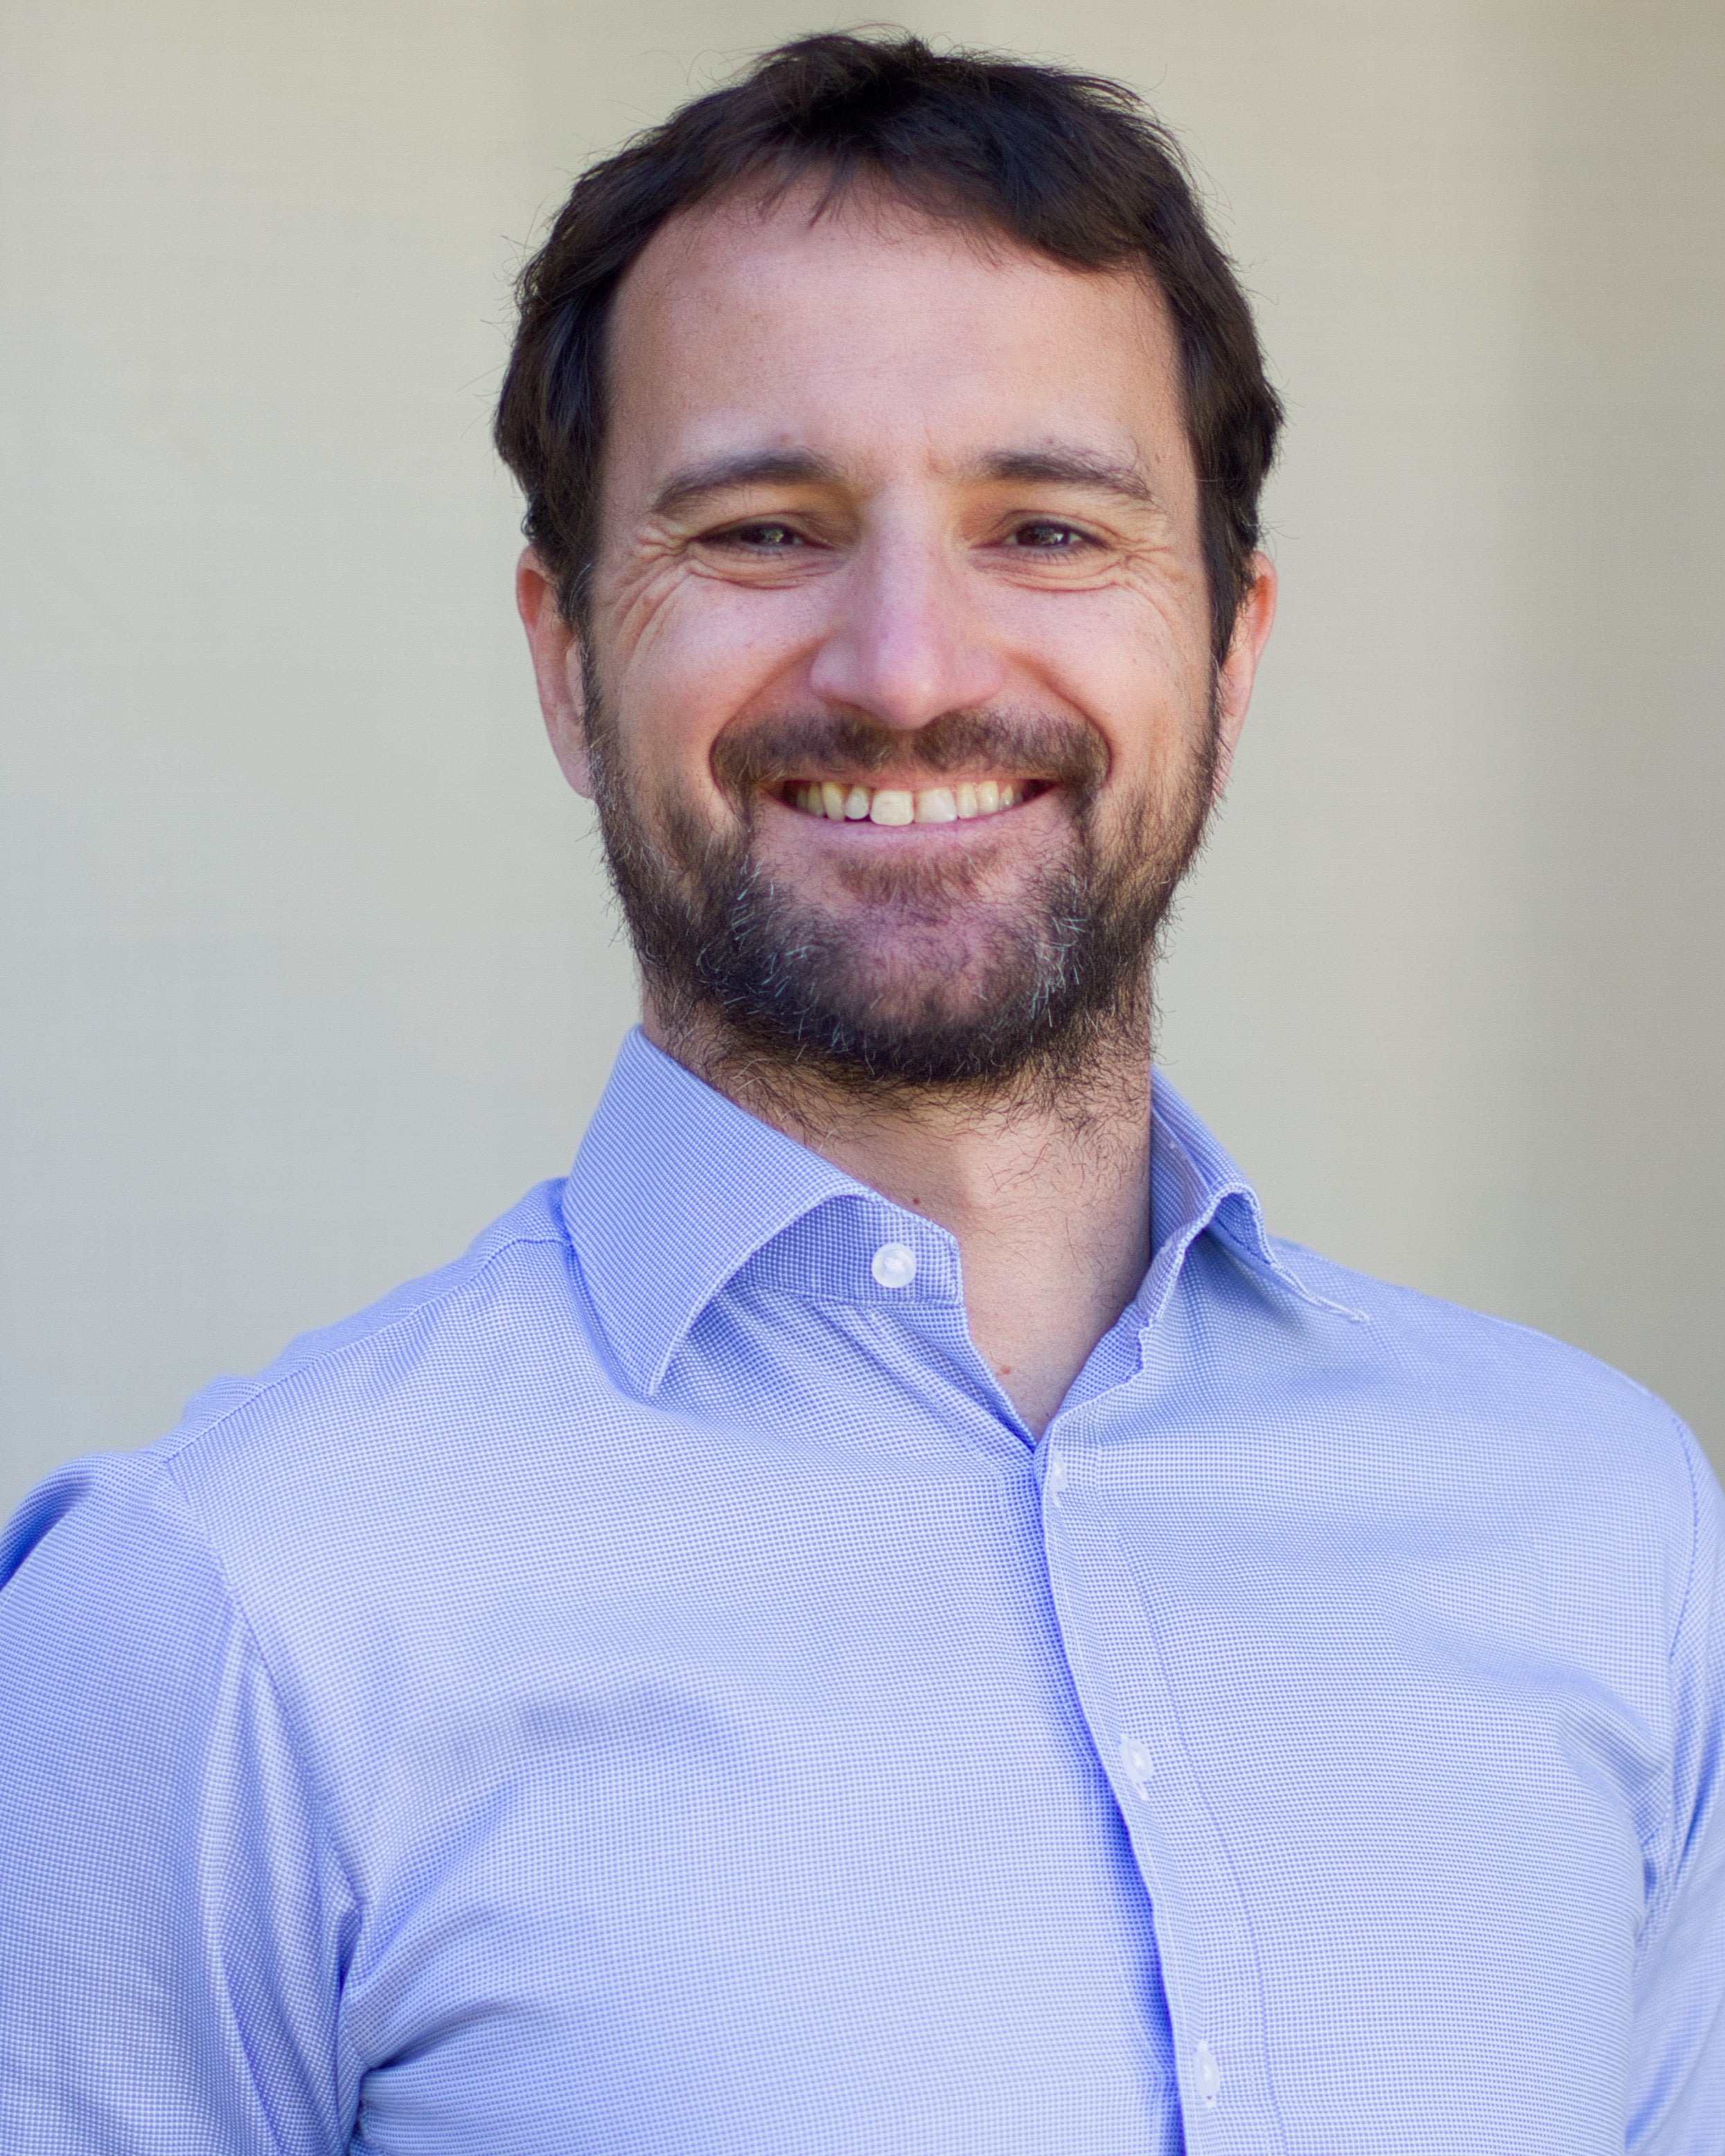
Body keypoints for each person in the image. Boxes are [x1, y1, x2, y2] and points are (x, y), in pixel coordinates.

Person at [2, 31, 1719, 2155]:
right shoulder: (218, 1623)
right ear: (563, 659)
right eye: (759, 526)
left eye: (1048, 526)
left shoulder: (1605, 1537)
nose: (906, 662)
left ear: (1231, 647)